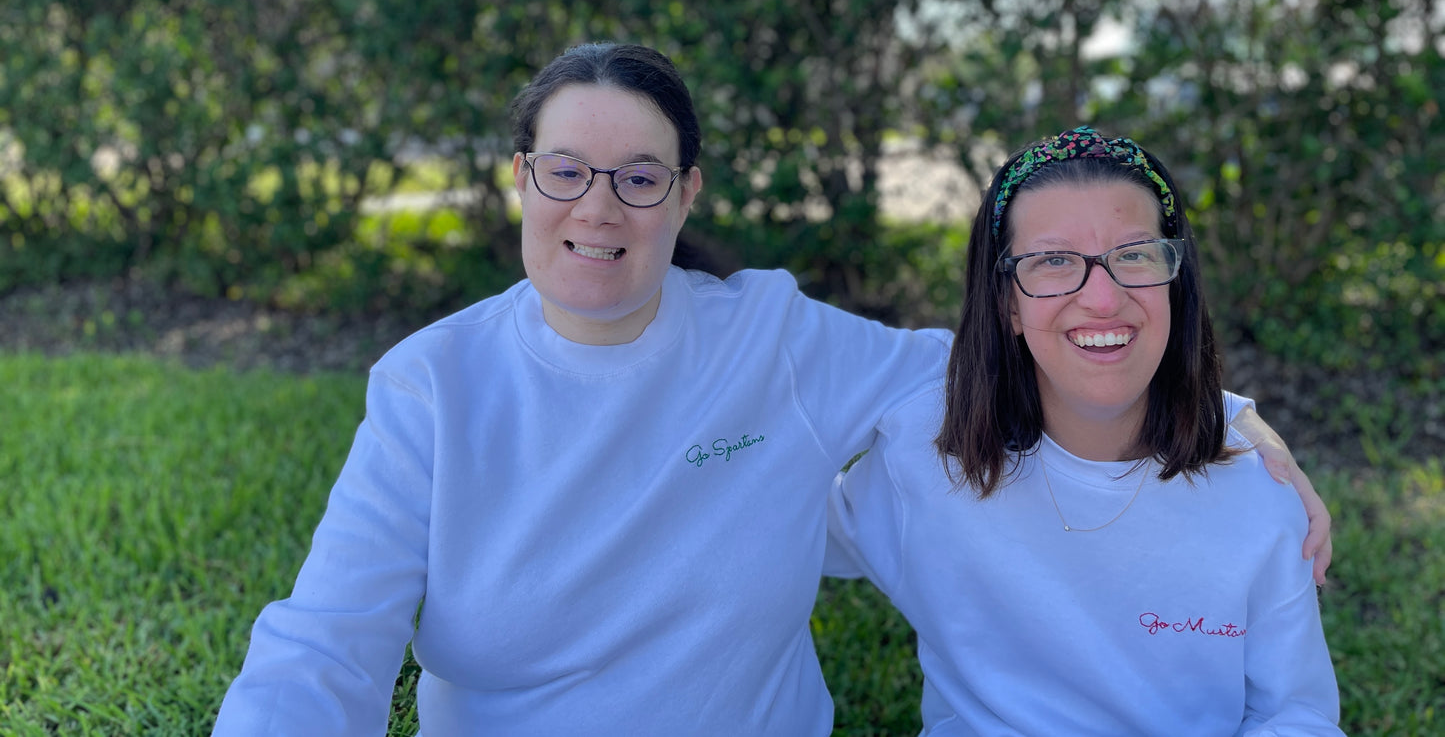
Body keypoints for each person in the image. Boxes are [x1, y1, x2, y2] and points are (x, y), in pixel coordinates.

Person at [212, 47, 1328, 736]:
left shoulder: (775, 341)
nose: (598, 208)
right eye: (565, 170)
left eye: (639, 177)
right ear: (521, 179)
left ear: (684, 194)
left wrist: (1231, 422)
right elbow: (325, 644)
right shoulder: (429, 387)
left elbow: (1034, 341)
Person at [826, 127, 1343, 735]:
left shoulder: (1258, 486)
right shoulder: (923, 455)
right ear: (1008, 307)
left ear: (1175, 281)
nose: (1103, 297)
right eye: (1053, 261)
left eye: (1135, 254)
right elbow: (762, 519)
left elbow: (1297, 714)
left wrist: (1229, 413)